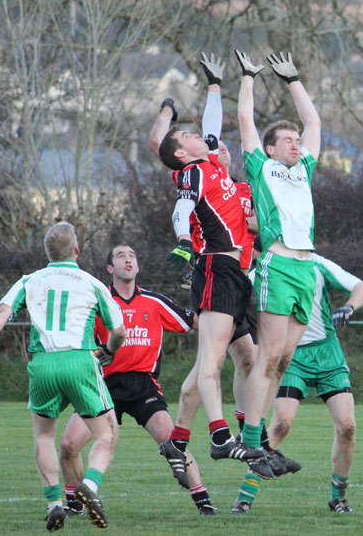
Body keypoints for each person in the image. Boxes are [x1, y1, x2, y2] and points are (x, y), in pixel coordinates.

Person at [154, 52, 273, 479]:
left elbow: (212, 126)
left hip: (237, 277)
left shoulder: (218, 171)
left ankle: (179, 441)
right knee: (214, 362)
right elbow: (181, 210)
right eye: (188, 136)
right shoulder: (193, 173)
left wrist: (215, 84)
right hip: (215, 271)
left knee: (230, 358)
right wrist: (184, 242)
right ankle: (223, 437)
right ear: (183, 153)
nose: (203, 137)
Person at [0, 222, 126, 532]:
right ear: (77, 250)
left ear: (47, 252)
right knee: (106, 434)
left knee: (44, 437)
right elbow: (119, 331)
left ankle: (54, 504)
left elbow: (2, 311)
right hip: (79, 361)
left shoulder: (30, 280)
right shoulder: (91, 282)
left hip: (42, 364)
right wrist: (109, 350)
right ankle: (91, 486)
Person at [59, 244, 218, 516]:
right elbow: (76, 342)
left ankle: (204, 503)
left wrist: (222, 320)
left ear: (138, 266)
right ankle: (74, 502)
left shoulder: (154, 302)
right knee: (68, 445)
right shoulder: (97, 303)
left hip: (143, 386)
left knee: (174, 444)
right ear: (110, 269)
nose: (128, 259)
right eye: (120, 256)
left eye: (132, 255)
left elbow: (199, 323)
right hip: (103, 385)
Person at [234, 49, 321, 472]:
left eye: (296, 140)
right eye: (287, 140)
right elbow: (246, 123)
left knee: (284, 362)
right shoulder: (261, 167)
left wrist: (294, 79)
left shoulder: (304, 168)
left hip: (308, 269)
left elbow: (315, 123)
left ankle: (262, 441)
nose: (296, 143)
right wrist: (249, 75)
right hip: (278, 264)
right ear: (270, 149)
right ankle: (250, 442)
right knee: (268, 357)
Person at [232, 254, 363, 513]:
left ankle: (338, 497)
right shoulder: (262, 272)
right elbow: (238, 310)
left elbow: (362, 287)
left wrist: (348, 307)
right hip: (291, 356)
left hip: (328, 355)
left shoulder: (316, 264)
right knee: (281, 424)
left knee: (348, 427)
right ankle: (245, 497)